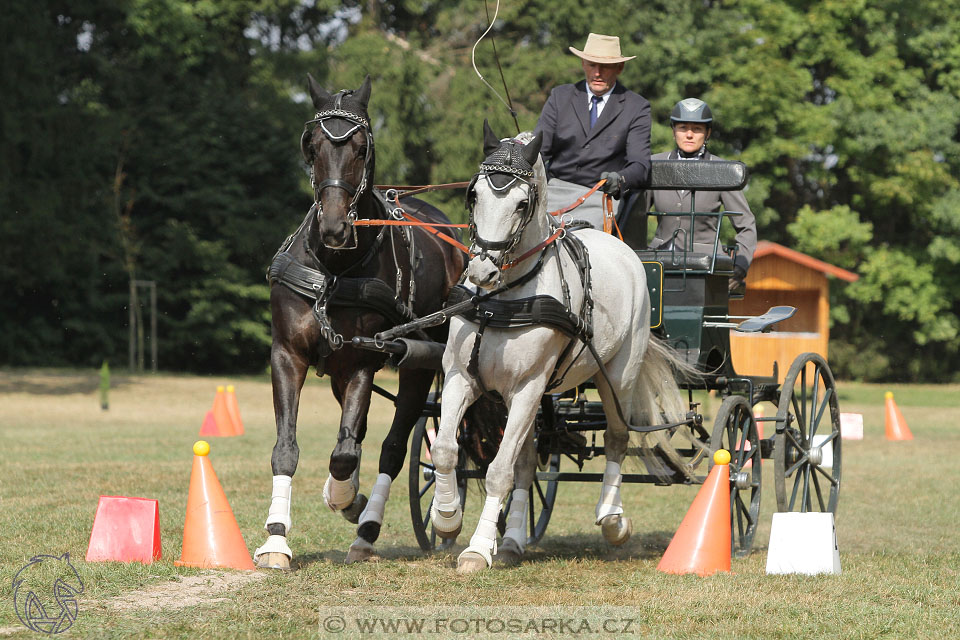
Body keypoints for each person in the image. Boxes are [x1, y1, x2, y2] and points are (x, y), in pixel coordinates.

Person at [535, 33, 651, 231]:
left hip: (601, 198)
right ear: (583, 64)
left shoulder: (637, 107)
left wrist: (619, 179)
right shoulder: (560, 97)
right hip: (554, 192)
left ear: (619, 68)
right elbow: (538, 150)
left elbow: (640, 165)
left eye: (605, 66)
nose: (597, 73)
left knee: (584, 246)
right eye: (591, 65)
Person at [646, 98, 757, 291]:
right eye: (682, 127)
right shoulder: (652, 166)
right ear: (673, 131)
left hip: (706, 267)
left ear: (708, 133)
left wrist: (740, 266)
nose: (689, 135)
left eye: (697, 129)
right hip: (658, 262)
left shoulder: (723, 171)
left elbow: (746, 224)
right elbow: (633, 216)